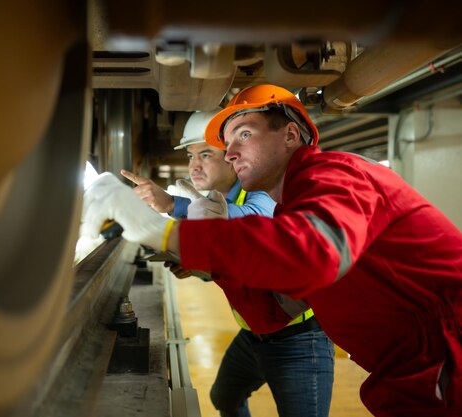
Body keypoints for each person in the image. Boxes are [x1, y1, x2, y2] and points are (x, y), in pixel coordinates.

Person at [81, 84, 462, 416]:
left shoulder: (336, 172)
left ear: (291, 135)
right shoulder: (294, 205)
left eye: (243, 134)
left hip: (447, 356)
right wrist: (209, 264)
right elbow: (276, 297)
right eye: (227, 144)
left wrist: (162, 232)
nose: (230, 152)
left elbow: (308, 256)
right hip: (415, 366)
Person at [120, 109, 334, 417]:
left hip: (299, 341)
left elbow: (246, 227)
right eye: (191, 155)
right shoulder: (221, 200)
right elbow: (242, 259)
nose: (195, 165)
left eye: (206, 154)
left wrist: (171, 204)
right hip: (254, 334)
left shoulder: (261, 194)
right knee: (224, 397)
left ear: (234, 157)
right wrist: (203, 271)